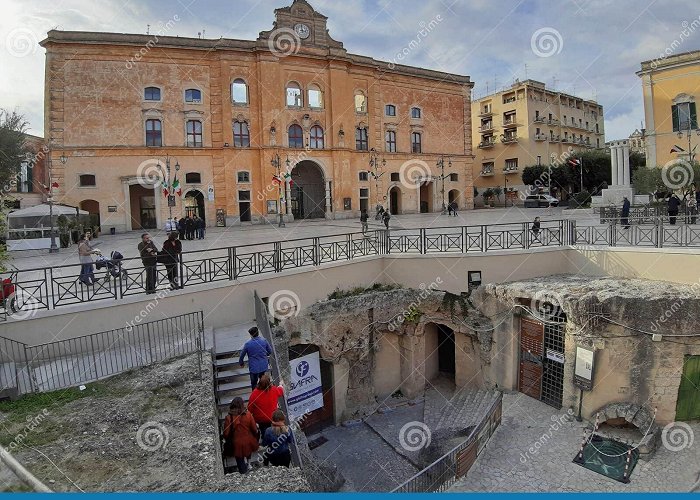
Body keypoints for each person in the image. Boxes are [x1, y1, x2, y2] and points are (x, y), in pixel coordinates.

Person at [223, 397, 259, 474]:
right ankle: (249, 464)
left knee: (240, 461)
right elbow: (254, 429)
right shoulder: (248, 414)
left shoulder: (229, 418)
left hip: (236, 444)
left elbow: (226, 433)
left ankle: (244, 474)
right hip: (248, 440)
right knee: (247, 450)